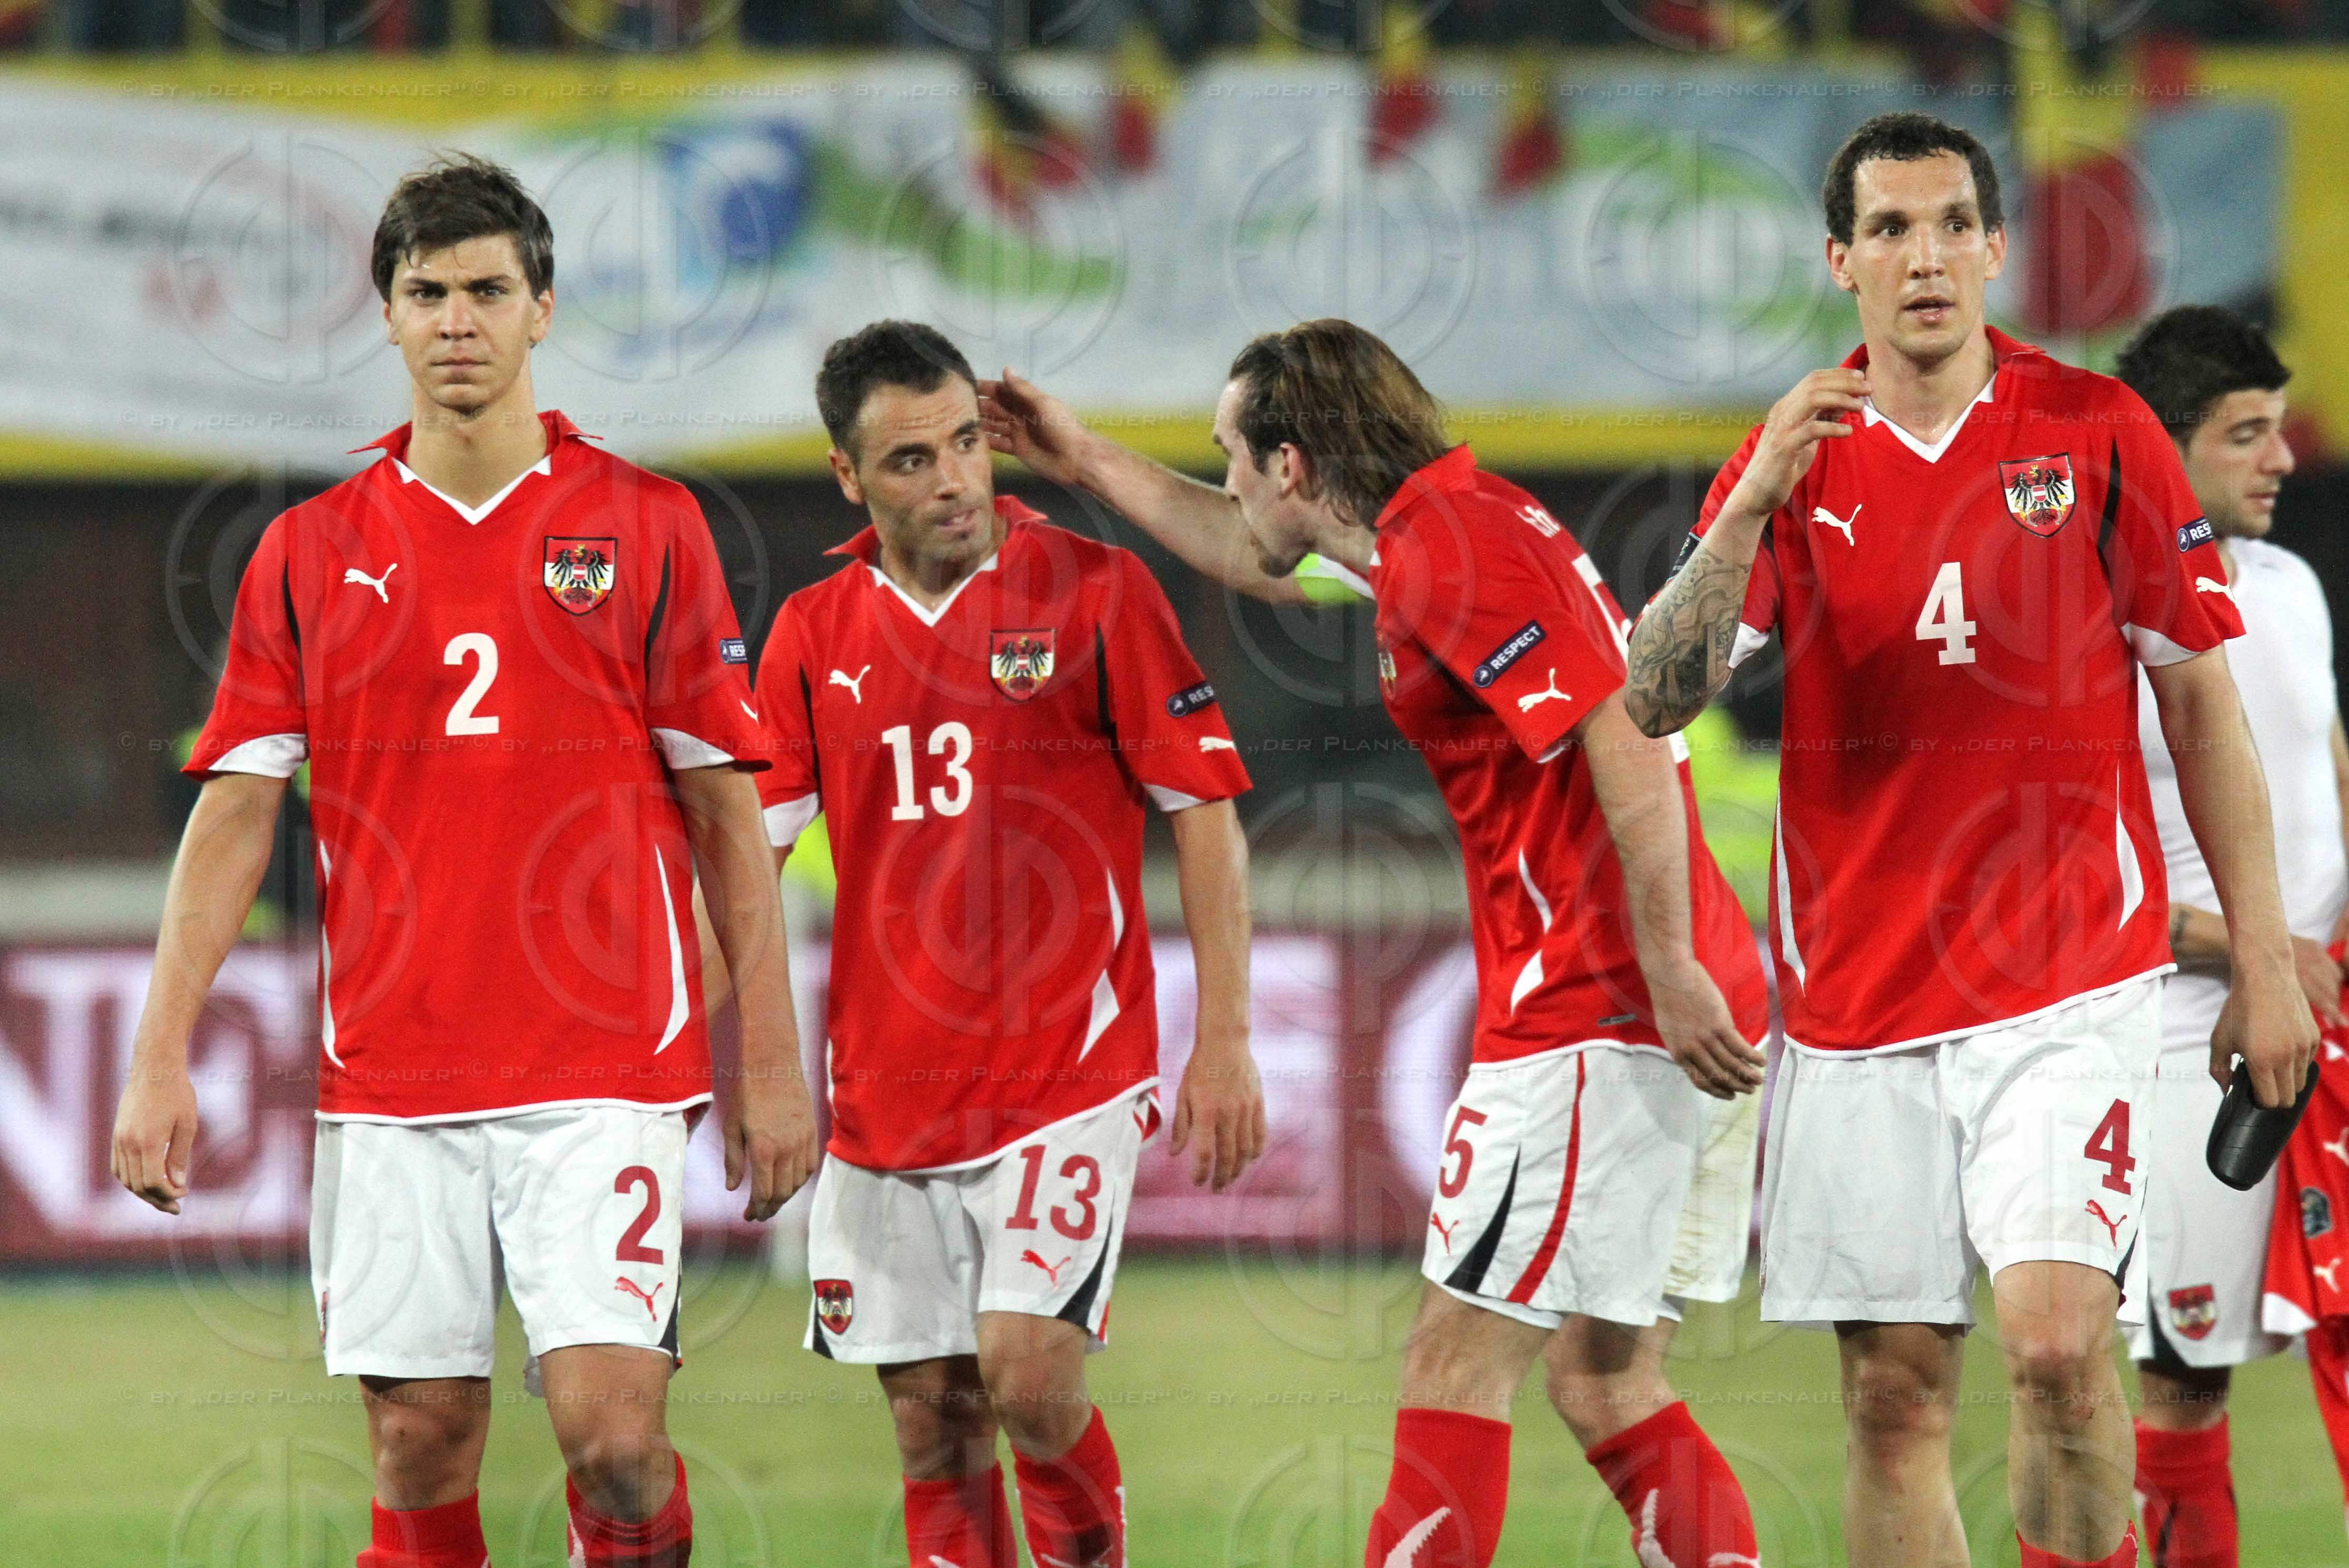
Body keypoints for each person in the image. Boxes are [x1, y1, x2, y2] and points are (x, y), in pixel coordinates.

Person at [108, 154, 820, 1568]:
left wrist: (771, 1060)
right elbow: (239, 807)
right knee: (420, 1440)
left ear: (543, 309)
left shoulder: (648, 525)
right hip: (396, 1069)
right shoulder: (309, 553)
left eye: (488, 290)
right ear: (384, 315)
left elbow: (730, 811)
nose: (456, 320)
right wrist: (158, 1051)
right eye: (425, 291)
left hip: (606, 1059)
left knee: (616, 1440)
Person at [1623, 112, 2314, 1568]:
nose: (1923, 256)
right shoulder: (1790, 458)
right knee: (1894, 1396)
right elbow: (1657, 692)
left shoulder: (2095, 431)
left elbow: (2203, 715)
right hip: (1861, 1006)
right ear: (1841, 262)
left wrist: (2262, 962)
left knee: (2061, 1347)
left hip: (2067, 989)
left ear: (1997, 250)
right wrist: (1747, 503)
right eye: (1889, 229)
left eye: (1951, 225)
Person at [981, 317, 1770, 1568]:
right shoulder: (1434, 528)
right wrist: (1080, 457)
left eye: (1235, 453)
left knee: (1453, 1363)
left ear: (1295, 464)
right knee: (1604, 1379)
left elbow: (1620, 727)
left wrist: (1663, 967)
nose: (1230, 479)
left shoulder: (1450, 555)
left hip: (1599, 1003)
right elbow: (1245, 550)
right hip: (1662, 991)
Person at [747, 319, 1267, 1568]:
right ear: (850, 477)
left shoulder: (1094, 589)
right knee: (934, 1424)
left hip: (1065, 1071)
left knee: (1031, 1375)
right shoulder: (814, 634)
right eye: (914, 460)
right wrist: (722, 1060)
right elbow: (744, 863)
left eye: (968, 443)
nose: (957, 481)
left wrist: (1225, 1039)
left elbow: (1204, 812)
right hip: (887, 1091)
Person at [2112, 306, 2345, 1567]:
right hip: (2185, 1043)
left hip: (2335, 1028)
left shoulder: (2294, 587)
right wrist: (2248, 950)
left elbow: (2329, 772)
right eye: (2244, 433)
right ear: (2165, 449)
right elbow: (2068, 876)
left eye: (2278, 427)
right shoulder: (2099, 617)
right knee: (2186, 1378)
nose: (2281, 457)